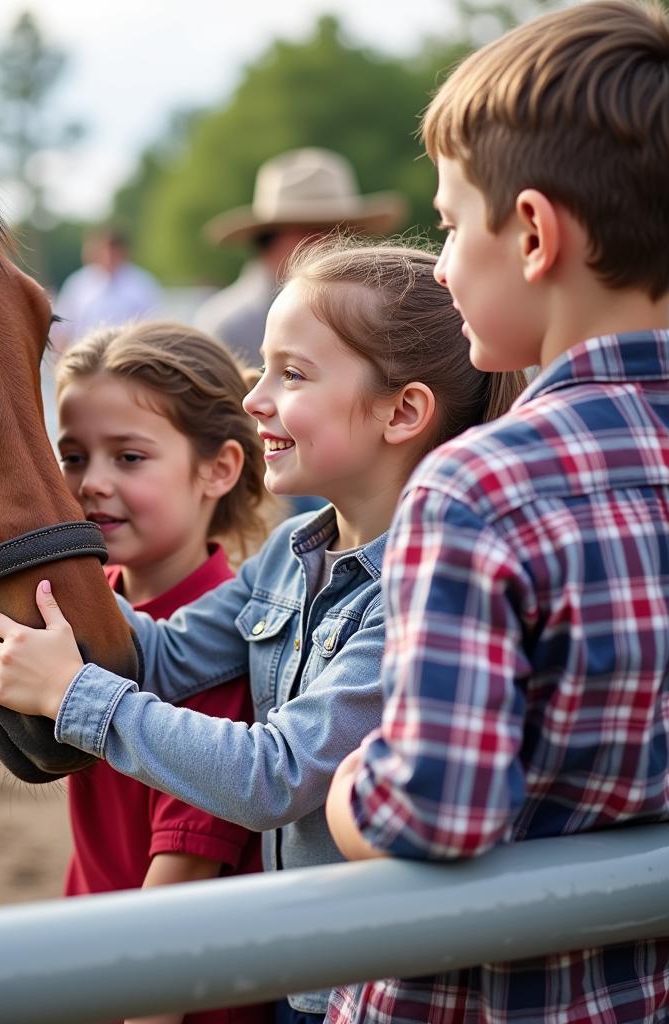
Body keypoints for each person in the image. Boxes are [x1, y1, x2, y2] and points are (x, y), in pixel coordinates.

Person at [0, 240, 525, 1023]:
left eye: (291, 374)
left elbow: (275, 775)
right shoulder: (285, 562)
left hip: (367, 984)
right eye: (264, 368)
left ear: (402, 411)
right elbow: (163, 653)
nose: (256, 397)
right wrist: (23, 564)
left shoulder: (419, 592)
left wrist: (76, 695)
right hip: (302, 976)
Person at [324, 3, 669, 1022]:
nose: (436, 263)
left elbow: (436, 811)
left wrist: (348, 787)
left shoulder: (479, 487)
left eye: (445, 221)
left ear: (529, 232)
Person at [0, 320, 275, 1024]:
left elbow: (177, 899)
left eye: (130, 457)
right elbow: (5, 719)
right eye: (73, 455)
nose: (92, 484)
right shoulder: (95, 603)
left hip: (171, 992)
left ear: (219, 469)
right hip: (95, 957)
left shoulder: (217, 649)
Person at [193, 148, 406, 369]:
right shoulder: (227, 327)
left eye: (342, 231)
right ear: (269, 238)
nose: (331, 243)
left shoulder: (376, 313)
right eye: (312, 232)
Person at [50, 227, 162, 351]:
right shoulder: (78, 284)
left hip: (130, 357)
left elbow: (154, 329)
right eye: (105, 249)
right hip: (86, 359)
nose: (109, 255)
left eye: (114, 250)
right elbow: (62, 330)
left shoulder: (142, 284)